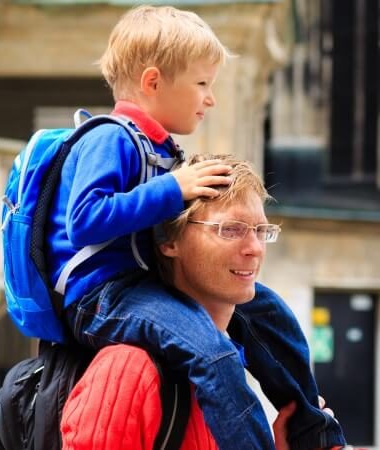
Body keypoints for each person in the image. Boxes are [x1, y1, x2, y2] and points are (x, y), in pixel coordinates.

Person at [48, 6, 344, 450]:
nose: (211, 98)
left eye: (260, 231)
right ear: (153, 82)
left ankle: (315, 435)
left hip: (133, 286)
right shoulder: (109, 137)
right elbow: (85, 220)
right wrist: (173, 188)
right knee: (213, 354)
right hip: (101, 296)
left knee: (273, 315)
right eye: (202, 83)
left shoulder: (158, 146)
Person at [60, 156, 342, 450]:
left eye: (261, 231)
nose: (254, 248)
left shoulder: (237, 357)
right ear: (169, 242)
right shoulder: (129, 370)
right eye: (230, 229)